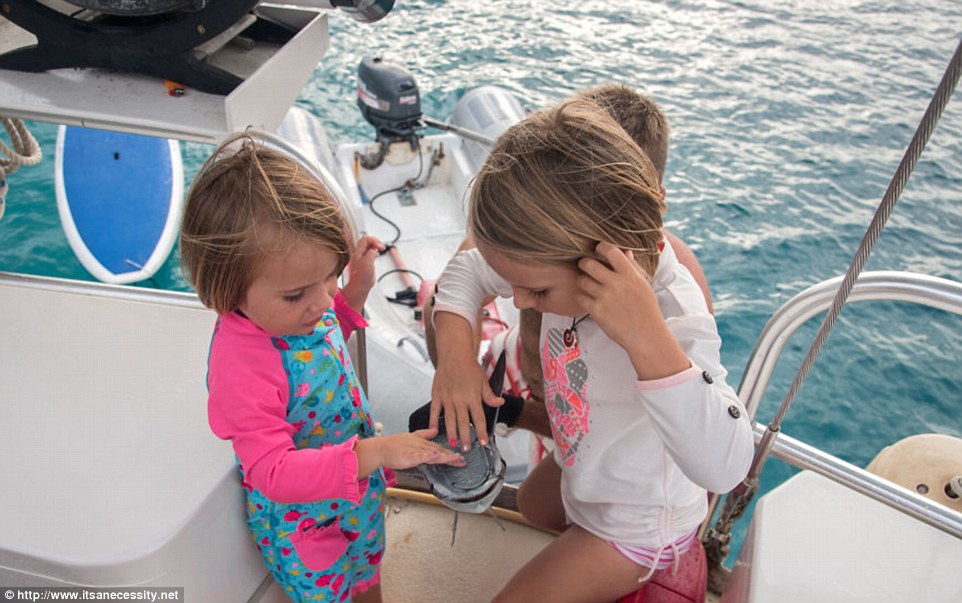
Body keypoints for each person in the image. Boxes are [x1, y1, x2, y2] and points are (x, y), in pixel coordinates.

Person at [429, 100, 754, 602]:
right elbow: (469, 272)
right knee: (535, 510)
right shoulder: (569, 259)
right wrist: (455, 362)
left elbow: (726, 466)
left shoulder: (671, 310)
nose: (519, 302)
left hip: (634, 526)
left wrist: (646, 338)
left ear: (605, 260)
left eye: (536, 292)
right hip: (586, 457)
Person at [179, 134, 465, 603]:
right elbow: (271, 471)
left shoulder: (299, 310)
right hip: (305, 523)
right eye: (298, 294)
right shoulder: (242, 365)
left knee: (368, 572)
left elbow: (322, 346)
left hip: (355, 496)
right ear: (226, 292)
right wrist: (376, 453)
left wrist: (356, 289)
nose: (321, 301)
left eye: (330, 275)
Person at [423, 83, 713, 448]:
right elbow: (463, 274)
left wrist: (515, 413)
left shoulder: (677, 292)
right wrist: (457, 361)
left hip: (590, 433)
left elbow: (683, 426)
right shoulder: (537, 243)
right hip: (546, 385)